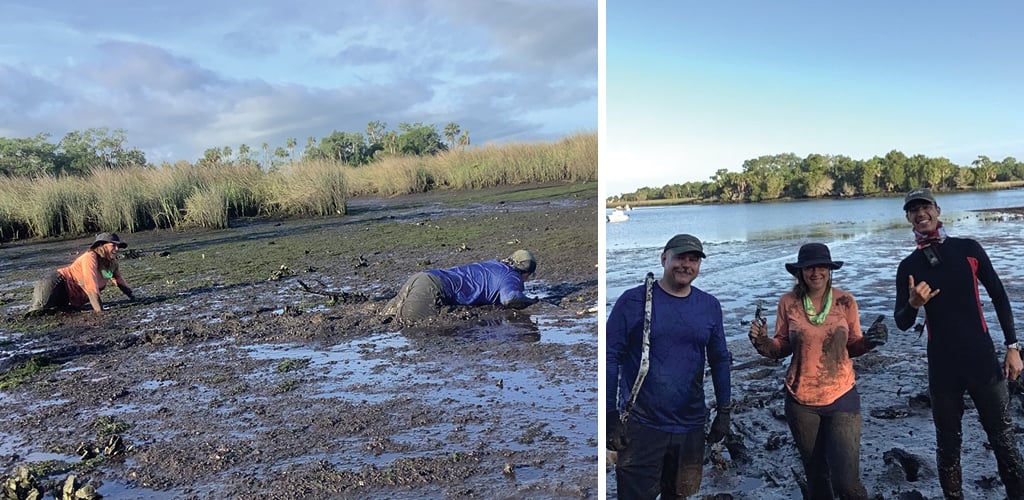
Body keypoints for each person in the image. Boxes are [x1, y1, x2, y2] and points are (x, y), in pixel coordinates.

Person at [893, 187, 1024, 499]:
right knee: (948, 446)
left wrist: (1012, 347)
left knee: (1003, 440)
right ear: (909, 218)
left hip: (981, 360)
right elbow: (902, 322)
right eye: (913, 210)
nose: (920, 213)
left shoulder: (969, 249)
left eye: (925, 207)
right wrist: (913, 303)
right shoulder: (908, 267)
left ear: (937, 211)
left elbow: (999, 295)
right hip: (943, 368)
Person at [748, 242, 886, 499]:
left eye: (821, 267)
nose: (815, 273)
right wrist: (762, 342)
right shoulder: (788, 303)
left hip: (842, 395)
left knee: (847, 483)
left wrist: (870, 341)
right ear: (799, 272)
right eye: (809, 268)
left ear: (829, 270)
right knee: (817, 476)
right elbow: (781, 347)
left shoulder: (845, 301)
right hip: (801, 402)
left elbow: (853, 346)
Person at [606, 234, 731, 499]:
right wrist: (609, 415)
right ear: (664, 258)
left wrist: (724, 410)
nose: (686, 265)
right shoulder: (633, 302)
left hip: (690, 426)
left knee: (679, 495)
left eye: (694, 260)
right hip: (642, 425)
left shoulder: (709, 306)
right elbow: (610, 357)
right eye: (680, 258)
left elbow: (720, 359)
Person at [381, 249, 538, 323]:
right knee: (411, 326)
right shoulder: (512, 276)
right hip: (433, 289)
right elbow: (510, 299)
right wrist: (532, 301)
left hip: (421, 277)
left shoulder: (494, 264)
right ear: (526, 274)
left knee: (383, 318)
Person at [29, 232, 135, 314]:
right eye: (113, 245)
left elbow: (118, 280)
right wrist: (100, 312)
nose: (117, 249)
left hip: (68, 297)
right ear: (101, 245)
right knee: (37, 312)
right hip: (56, 283)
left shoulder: (112, 264)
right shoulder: (90, 257)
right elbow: (91, 285)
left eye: (119, 246)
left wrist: (132, 297)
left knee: (56, 314)